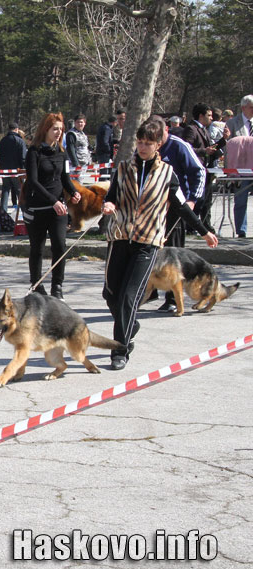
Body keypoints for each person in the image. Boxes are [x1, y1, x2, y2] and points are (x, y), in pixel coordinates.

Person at [101, 118, 218, 371]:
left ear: (158, 145)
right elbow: (112, 195)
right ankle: (130, 326)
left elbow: (181, 208)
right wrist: (108, 205)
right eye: (140, 142)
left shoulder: (167, 174)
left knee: (129, 298)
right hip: (120, 236)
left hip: (147, 242)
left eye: (148, 143)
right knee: (110, 294)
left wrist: (204, 231)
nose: (142, 147)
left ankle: (119, 349)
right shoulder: (122, 168)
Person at [24, 112, 81, 300]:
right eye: (54, 129)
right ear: (45, 129)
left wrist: (73, 191)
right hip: (38, 207)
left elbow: (64, 177)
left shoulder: (61, 152)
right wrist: (52, 201)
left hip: (59, 208)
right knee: (37, 248)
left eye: (61, 129)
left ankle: (57, 285)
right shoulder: (34, 152)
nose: (58, 132)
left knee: (59, 245)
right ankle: (36, 285)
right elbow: (32, 181)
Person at [153, 115, 206, 312]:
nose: (154, 142)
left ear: (166, 130)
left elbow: (199, 171)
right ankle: (150, 291)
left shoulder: (179, 146)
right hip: (155, 209)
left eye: (158, 136)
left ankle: (172, 298)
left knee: (172, 253)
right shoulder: (147, 145)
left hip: (177, 207)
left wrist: (192, 199)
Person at [182, 103, 219, 233]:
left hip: (206, 170)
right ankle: (190, 226)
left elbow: (210, 147)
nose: (211, 118)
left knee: (205, 201)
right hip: (195, 170)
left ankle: (203, 225)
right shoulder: (191, 129)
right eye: (209, 115)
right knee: (197, 200)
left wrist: (223, 141)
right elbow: (187, 148)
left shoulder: (204, 129)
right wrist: (204, 151)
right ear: (201, 116)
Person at [223, 94, 253, 237]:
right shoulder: (232, 123)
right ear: (243, 108)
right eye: (251, 107)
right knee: (240, 201)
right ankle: (241, 231)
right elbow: (227, 147)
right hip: (240, 170)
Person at [0, 122, 27, 211]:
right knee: (19, 191)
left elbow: (0, 156)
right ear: (17, 129)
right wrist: (23, 171)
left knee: (5, 190)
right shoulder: (20, 141)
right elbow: (23, 157)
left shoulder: (2, 141)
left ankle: (3, 212)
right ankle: (25, 213)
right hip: (16, 170)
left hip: (4, 170)